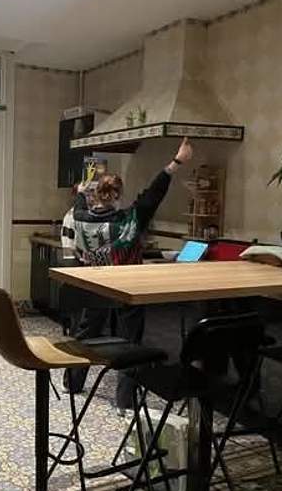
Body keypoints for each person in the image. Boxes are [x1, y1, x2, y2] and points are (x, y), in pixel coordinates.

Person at [63, 137, 193, 411]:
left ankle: (72, 383)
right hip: (127, 289)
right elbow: (153, 194)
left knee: (85, 334)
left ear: (97, 195)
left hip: (95, 286)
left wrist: (81, 192)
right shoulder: (129, 220)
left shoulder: (81, 217)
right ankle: (124, 400)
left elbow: (79, 204)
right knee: (130, 342)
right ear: (117, 195)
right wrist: (176, 162)